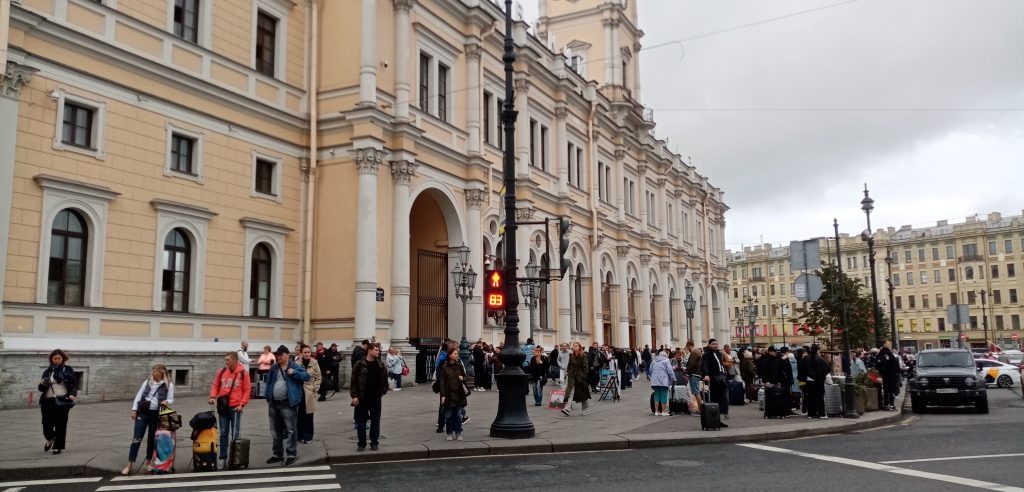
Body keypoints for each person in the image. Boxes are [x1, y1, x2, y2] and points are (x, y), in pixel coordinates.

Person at [121, 364, 174, 475]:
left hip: (156, 415)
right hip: (143, 413)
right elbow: (138, 396)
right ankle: (129, 465)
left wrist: (167, 402)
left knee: (152, 440)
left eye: (154, 371)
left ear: (161, 373)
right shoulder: (147, 383)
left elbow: (170, 398)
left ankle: (148, 464)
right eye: (152, 371)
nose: (152, 373)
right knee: (137, 438)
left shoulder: (168, 385)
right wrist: (134, 410)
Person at [264, 345, 310, 466]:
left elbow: (307, 377)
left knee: (291, 430)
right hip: (273, 403)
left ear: (287, 355)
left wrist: (294, 372)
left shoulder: (295, 366)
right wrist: (268, 396)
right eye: (277, 355)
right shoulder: (274, 367)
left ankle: (291, 454)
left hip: (287, 403)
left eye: (280, 355)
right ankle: (277, 454)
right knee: (275, 431)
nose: (278, 357)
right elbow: (268, 382)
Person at [208, 351, 250, 469]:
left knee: (235, 434)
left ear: (235, 360)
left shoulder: (243, 373)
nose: (226, 362)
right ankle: (223, 458)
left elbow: (247, 390)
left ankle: (235, 458)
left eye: (228, 360)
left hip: (236, 408)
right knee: (223, 433)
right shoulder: (221, 372)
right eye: (225, 360)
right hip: (223, 407)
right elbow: (215, 385)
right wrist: (212, 396)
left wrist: (242, 404)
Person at [351, 342, 389, 451]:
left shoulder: (381, 365)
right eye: (376, 350)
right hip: (362, 397)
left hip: (376, 397)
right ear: (369, 350)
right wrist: (354, 396)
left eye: (379, 350)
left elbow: (384, 381)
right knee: (361, 422)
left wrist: (382, 392)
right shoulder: (359, 364)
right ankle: (361, 443)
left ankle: (374, 442)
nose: (378, 352)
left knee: (375, 421)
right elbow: (353, 382)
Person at [38, 349, 77, 455]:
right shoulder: (47, 371)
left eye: (59, 358)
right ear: (51, 359)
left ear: (63, 359)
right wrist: (43, 384)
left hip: (63, 400)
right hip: (47, 401)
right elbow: (40, 389)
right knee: (46, 423)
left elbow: (73, 384)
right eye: (54, 358)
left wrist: (72, 394)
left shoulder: (68, 369)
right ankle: (50, 438)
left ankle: (58, 446)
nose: (57, 360)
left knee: (61, 424)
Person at [439, 346, 469, 440]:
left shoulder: (459, 366)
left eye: (457, 354)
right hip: (449, 394)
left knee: (458, 415)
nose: (457, 355)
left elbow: (465, 377)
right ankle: (449, 432)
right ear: (450, 355)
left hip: (459, 394)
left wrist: (462, 378)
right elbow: (442, 382)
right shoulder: (444, 367)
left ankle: (458, 432)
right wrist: (443, 395)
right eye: (455, 354)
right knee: (449, 415)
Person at [700, 339, 729, 425]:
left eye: (716, 344)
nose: (715, 345)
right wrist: (706, 374)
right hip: (713, 378)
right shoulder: (706, 354)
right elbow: (704, 364)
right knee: (714, 399)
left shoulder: (719, 354)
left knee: (722, 398)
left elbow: (720, 365)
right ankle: (714, 419)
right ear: (709, 345)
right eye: (713, 344)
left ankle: (719, 416)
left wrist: (723, 372)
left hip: (721, 377)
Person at [296, 345, 322, 444]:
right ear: (301, 353)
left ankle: (308, 436)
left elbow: (319, 377)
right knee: (300, 414)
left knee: (309, 415)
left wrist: (314, 388)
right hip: (299, 391)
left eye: (308, 352)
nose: (307, 354)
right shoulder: (297, 363)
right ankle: (300, 435)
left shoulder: (314, 363)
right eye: (305, 352)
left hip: (309, 392)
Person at [560, 342, 591, 416]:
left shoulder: (583, 356)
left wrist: (582, 375)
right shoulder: (571, 355)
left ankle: (585, 410)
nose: (574, 347)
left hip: (580, 378)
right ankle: (567, 409)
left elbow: (586, 368)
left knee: (583, 394)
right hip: (572, 377)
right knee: (570, 393)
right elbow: (569, 366)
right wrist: (568, 373)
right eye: (574, 346)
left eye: (576, 346)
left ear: (579, 347)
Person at [805, 344, 831, 418]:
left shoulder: (807, 358)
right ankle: (821, 413)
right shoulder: (820, 358)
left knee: (811, 396)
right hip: (818, 380)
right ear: (817, 350)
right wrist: (822, 375)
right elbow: (828, 367)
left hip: (809, 379)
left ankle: (811, 413)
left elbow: (803, 368)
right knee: (819, 396)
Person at [649, 349, 676, 416]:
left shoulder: (654, 361)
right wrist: (673, 378)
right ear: (665, 356)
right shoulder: (666, 360)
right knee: (663, 395)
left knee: (657, 395)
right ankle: (664, 411)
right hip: (663, 381)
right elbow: (670, 370)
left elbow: (650, 370)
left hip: (654, 381)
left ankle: (656, 411)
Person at [876, 341, 901, 411]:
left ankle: (886, 405)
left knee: (886, 390)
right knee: (891, 390)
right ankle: (891, 405)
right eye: (888, 344)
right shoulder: (889, 353)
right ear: (884, 344)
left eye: (890, 344)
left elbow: (877, 364)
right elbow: (894, 363)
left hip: (884, 375)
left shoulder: (880, 353)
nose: (890, 345)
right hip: (891, 375)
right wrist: (897, 370)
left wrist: (880, 372)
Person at [683, 342, 704, 415]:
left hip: (694, 374)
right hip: (696, 374)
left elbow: (692, 364)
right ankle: (700, 409)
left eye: (687, 346)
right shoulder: (697, 352)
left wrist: (687, 374)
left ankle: (700, 410)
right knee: (696, 392)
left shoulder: (694, 353)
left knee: (696, 392)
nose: (686, 348)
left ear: (689, 345)